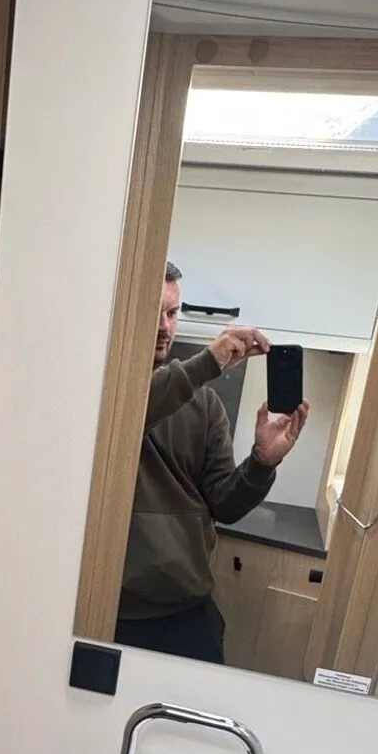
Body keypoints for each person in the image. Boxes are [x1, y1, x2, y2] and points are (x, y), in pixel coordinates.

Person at [114, 263, 309, 664]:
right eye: (153, 312)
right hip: (109, 606)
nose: (165, 326)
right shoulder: (99, 391)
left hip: (185, 607)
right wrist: (208, 362)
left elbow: (225, 504)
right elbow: (128, 410)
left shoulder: (204, 403)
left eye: (172, 312)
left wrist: (261, 463)